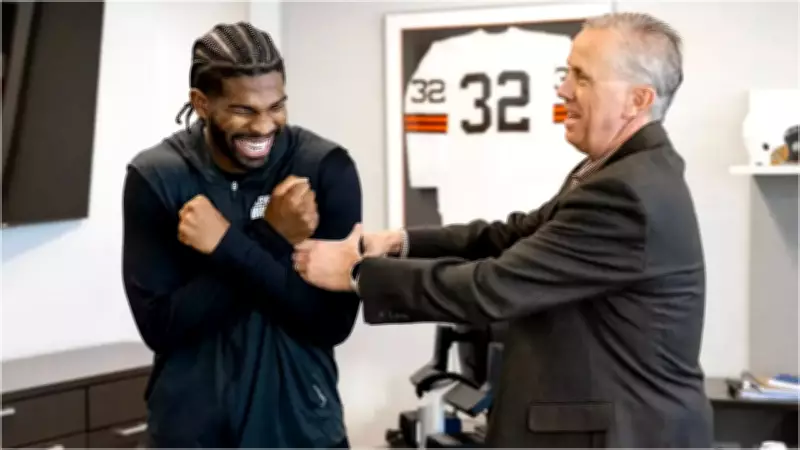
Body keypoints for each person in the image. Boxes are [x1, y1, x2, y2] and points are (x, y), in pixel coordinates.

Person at [293, 12, 714, 448]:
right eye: (568, 73)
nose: (563, 89)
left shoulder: (627, 194)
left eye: (582, 77)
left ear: (637, 100)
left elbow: (493, 287)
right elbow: (510, 236)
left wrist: (358, 274)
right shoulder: (617, 171)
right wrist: (400, 243)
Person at [121, 22, 361, 448]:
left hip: (300, 431)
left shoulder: (324, 168)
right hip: (188, 434)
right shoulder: (157, 177)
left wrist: (228, 244)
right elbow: (161, 328)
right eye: (244, 111)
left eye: (277, 106)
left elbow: (331, 323)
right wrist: (272, 235)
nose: (265, 126)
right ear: (201, 103)